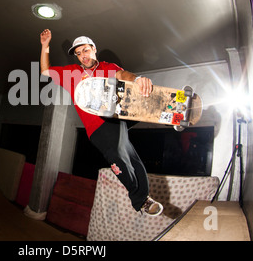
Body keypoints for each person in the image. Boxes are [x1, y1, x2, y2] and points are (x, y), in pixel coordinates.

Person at [39, 29, 163, 216]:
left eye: (86, 51)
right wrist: (45, 45)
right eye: (79, 54)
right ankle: (141, 199)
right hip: (96, 128)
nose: (83, 56)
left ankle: (143, 197)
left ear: (94, 49)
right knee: (119, 157)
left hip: (115, 120)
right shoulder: (70, 73)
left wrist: (137, 79)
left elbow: (123, 75)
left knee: (132, 158)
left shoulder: (107, 67)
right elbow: (45, 71)